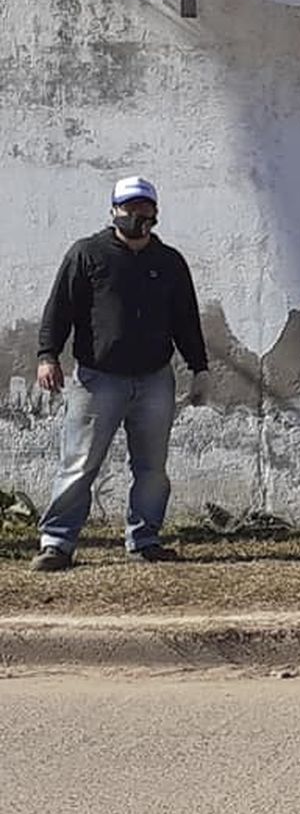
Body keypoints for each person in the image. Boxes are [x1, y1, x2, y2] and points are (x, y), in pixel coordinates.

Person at [31, 176, 209, 571]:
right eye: (128, 209)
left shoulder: (170, 263)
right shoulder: (87, 254)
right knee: (79, 463)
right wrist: (48, 355)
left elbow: (186, 319)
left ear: (155, 213)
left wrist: (200, 368)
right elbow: (59, 308)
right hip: (98, 380)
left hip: (154, 380)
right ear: (114, 210)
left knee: (151, 468)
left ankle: (145, 539)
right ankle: (57, 543)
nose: (136, 216)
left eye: (143, 210)